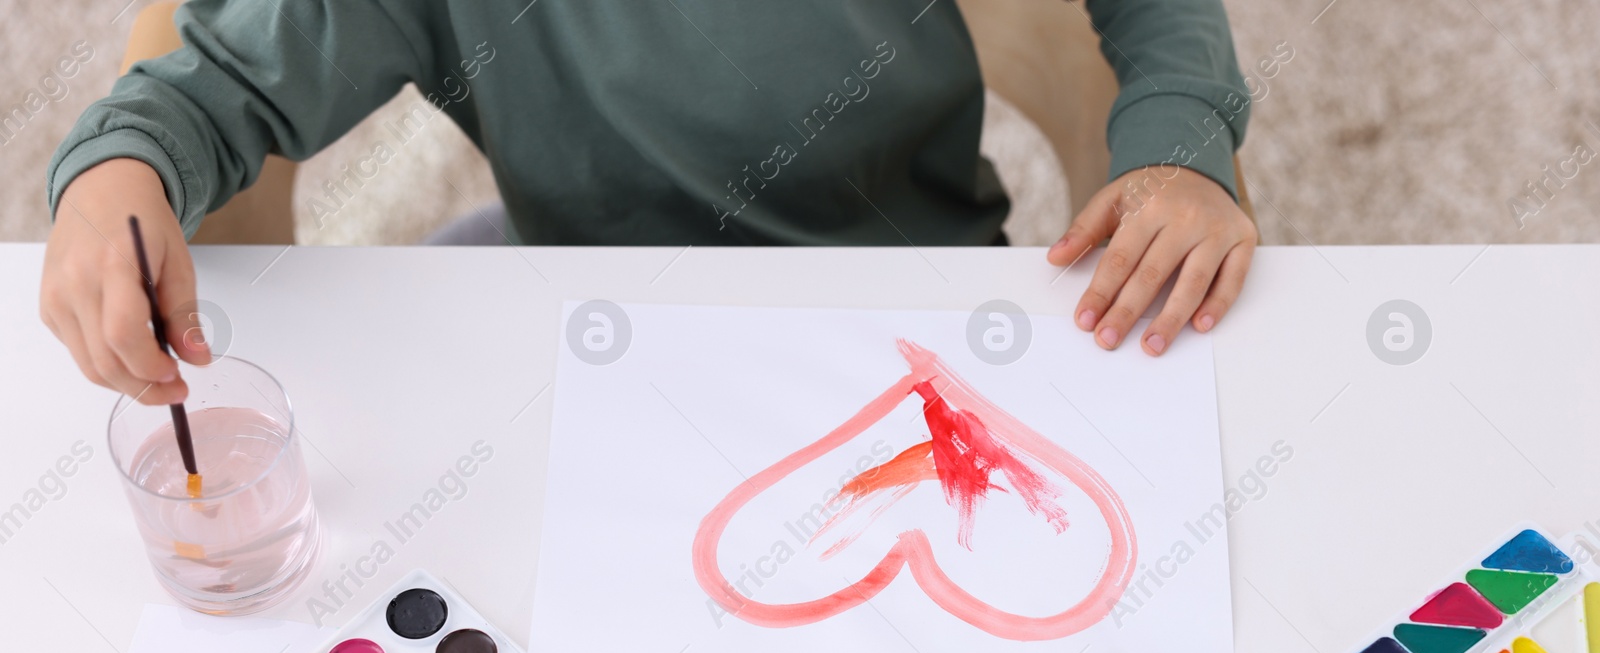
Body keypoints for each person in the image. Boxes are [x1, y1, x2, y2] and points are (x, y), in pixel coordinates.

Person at [40, 0, 1258, 405]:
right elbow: (206, 89)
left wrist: (1181, 155)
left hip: (912, 288)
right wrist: (114, 177)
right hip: (585, 299)